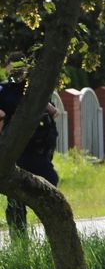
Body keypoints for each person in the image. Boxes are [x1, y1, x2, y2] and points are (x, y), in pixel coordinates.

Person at [0, 70, 60, 235]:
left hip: (36, 152)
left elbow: (54, 113)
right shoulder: (5, 91)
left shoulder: (35, 89)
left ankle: (56, 235)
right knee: (17, 199)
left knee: (49, 190)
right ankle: (20, 241)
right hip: (17, 154)